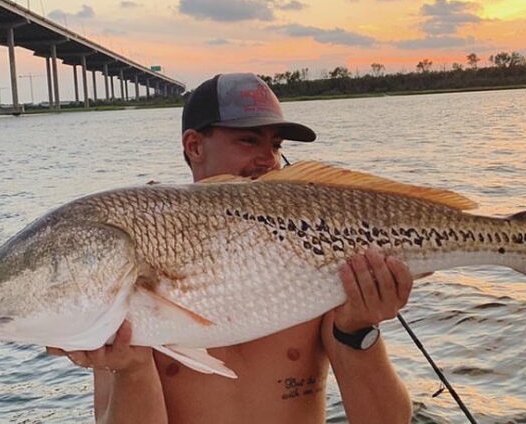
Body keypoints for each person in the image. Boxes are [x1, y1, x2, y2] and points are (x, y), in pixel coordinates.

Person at [48, 73, 414, 424]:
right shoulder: (136, 259)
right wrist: (133, 368)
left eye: (275, 145)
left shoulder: (310, 256)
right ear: (194, 146)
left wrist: (358, 330)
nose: (268, 159)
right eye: (249, 141)